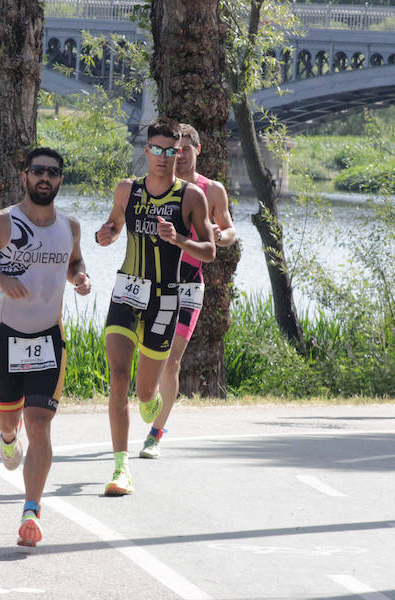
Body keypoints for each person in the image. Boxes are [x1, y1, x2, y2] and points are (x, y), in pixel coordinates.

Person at [0, 147, 91, 547]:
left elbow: (75, 263)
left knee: (40, 424)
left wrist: (81, 279)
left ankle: (31, 509)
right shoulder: (1, 222)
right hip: (7, 337)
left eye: (52, 172)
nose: (44, 178)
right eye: (38, 171)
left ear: (60, 180)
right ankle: (6, 438)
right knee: (8, 420)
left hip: (50, 337)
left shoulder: (70, 226)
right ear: (25, 177)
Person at [95, 117, 216, 495]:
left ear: (180, 153)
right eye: (158, 150)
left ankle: (149, 403)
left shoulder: (191, 197)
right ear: (147, 150)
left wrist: (179, 239)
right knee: (117, 378)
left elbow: (210, 251)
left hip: (165, 299)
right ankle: (120, 469)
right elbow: (114, 225)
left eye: (172, 151)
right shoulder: (127, 190)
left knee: (145, 392)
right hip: (127, 291)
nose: (165, 157)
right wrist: (106, 234)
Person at [139, 123, 237, 459]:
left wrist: (219, 237)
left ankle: (155, 434)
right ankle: (148, 396)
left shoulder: (211, 190)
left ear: (198, 150)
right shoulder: (159, 186)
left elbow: (227, 227)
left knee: (172, 362)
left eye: (184, 150)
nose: (178, 157)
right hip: (154, 278)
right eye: (173, 150)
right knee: (148, 354)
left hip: (190, 282)